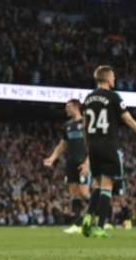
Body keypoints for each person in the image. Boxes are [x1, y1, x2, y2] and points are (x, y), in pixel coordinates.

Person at [81, 66, 136, 238]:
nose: (115, 79)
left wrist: (88, 152)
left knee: (96, 184)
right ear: (107, 78)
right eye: (113, 77)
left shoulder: (88, 99)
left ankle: (88, 217)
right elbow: (129, 120)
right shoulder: (114, 97)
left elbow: (85, 127)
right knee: (107, 187)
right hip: (108, 145)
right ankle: (100, 227)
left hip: (93, 145)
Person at [43, 99, 90, 234]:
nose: (66, 109)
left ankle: (102, 214)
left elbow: (93, 145)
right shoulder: (67, 125)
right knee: (74, 193)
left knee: (84, 193)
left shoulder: (86, 123)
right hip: (71, 162)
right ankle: (77, 224)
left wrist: (87, 163)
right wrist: (52, 158)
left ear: (76, 107)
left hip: (84, 162)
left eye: (68, 107)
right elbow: (63, 144)